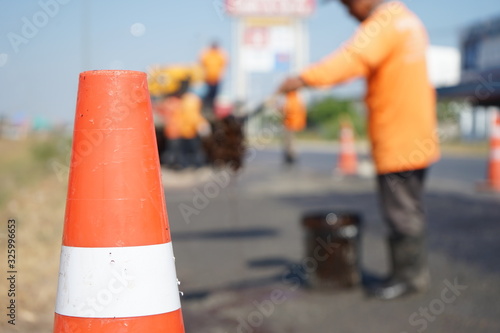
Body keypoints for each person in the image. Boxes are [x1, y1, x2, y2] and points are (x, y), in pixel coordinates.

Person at [278, 0, 440, 300]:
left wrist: (303, 79)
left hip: (399, 138)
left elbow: (350, 59)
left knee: (400, 211)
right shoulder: (406, 19)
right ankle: (413, 273)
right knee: (410, 207)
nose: (349, 13)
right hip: (418, 133)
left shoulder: (383, 24)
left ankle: (408, 278)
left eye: (348, 5)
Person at [199, 41, 228, 119]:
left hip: (217, 79)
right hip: (207, 79)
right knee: (206, 95)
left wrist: (222, 75)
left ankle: (211, 110)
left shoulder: (220, 54)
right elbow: (201, 62)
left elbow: (225, 64)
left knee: (214, 96)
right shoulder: (207, 54)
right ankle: (205, 109)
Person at [282, 90, 307, 164]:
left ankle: (291, 156)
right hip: (293, 123)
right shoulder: (297, 97)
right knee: (290, 141)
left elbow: (287, 110)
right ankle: (291, 155)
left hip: (290, 123)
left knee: (290, 141)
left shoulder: (291, 99)